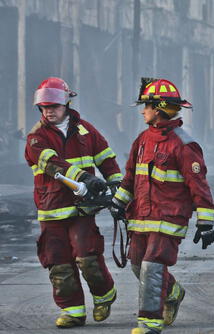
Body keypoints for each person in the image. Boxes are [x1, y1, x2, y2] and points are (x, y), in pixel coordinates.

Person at [112, 78, 214, 334]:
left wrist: (205, 222)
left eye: (146, 105)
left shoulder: (184, 145)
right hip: (141, 217)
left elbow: (198, 185)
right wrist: (119, 202)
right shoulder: (143, 139)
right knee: (138, 264)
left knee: (152, 266)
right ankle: (173, 292)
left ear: (158, 108)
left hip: (169, 219)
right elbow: (130, 177)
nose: (142, 110)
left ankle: (149, 322)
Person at [24, 77, 121, 328]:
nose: (49, 111)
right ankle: (72, 311)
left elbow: (107, 160)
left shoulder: (87, 131)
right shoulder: (36, 137)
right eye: (44, 108)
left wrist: (118, 188)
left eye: (53, 106)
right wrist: (86, 177)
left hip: (82, 209)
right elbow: (51, 164)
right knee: (59, 263)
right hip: (52, 210)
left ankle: (104, 296)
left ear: (66, 103)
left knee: (87, 256)